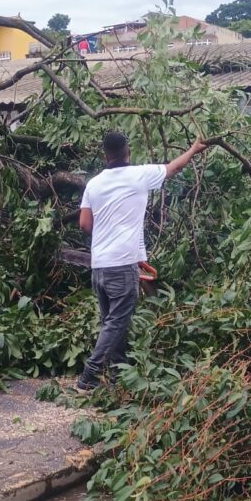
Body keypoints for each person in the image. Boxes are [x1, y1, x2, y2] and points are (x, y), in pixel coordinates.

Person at [77, 129, 208, 392]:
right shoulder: (139, 175)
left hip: (99, 266)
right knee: (116, 323)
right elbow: (172, 168)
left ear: (105, 154)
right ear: (128, 152)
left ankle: (117, 375)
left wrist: (108, 232)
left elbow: (84, 224)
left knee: (111, 323)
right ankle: (88, 376)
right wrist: (193, 150)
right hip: (121, 265)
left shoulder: (93, 184)